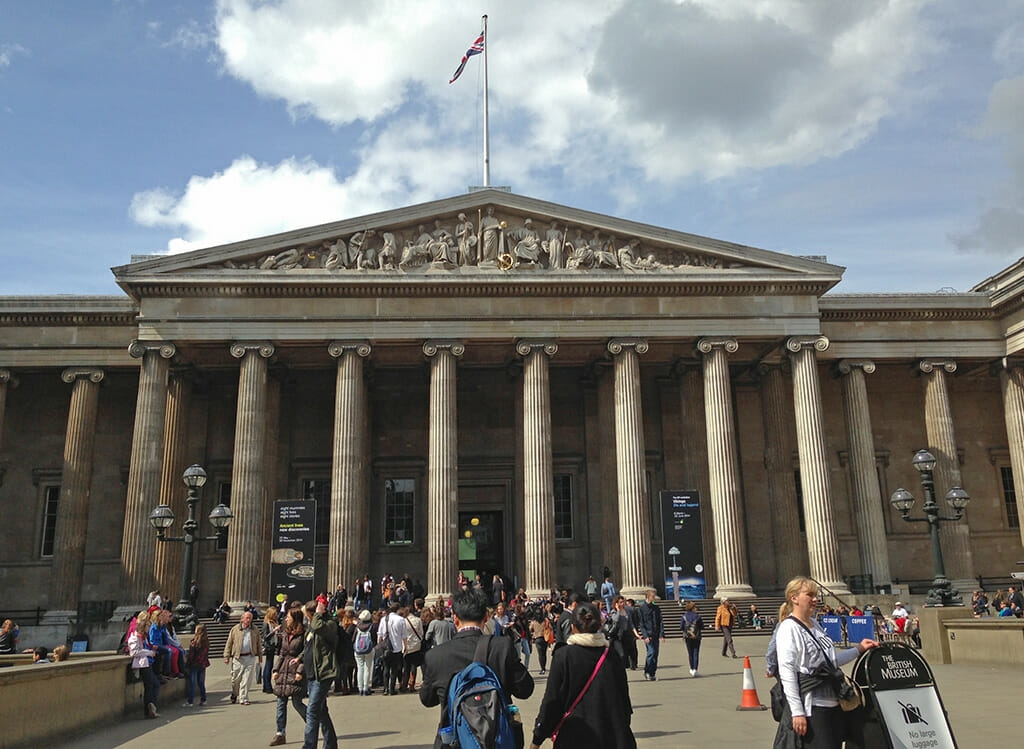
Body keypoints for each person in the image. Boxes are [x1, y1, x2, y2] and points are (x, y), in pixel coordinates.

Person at [420, 587, 533, 749]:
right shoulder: (502, 647)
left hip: (455, 742)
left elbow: (427, 699)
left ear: (455, 618)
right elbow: (525, 689)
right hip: (497, 740)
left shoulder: (436, 655)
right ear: (486, 617)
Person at [774, 576, 878, 748]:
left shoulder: (815, 624)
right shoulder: (788, 628)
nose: (815, 599)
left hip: (835, 703)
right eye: (809, 595)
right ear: (794, 598)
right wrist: (797, 712)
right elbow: (787, 672)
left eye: (815, 595)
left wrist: (858, 649)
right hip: (813, 708)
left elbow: (829, 663)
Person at [529, 601, 635, 749]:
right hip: (612, 738)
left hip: (574, 737)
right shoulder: (611, 655)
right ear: (599, 626)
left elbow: (552, 702)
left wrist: (537, 739)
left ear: (573, 627)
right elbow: (624, 702)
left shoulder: (563, 656)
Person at [301, 598, 338, 749]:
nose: (306, 618)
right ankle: (331, 744)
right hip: (312, 673)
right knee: (322, 711)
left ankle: (309, 746)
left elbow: (317, 627)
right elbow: (309, 647)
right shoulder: (313, 626)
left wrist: (317, 614)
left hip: (323, 673)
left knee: (312, 711)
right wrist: (298, 659)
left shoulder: (329, 624)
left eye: (307, 615)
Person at [270, 607, 307, 746]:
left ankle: (312, 722)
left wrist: (300, 671)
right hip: (284, 671)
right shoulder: (286, 633)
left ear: (295, 618)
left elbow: (305, 654)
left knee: (297, 703)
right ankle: (280, 733)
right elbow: (281, 654)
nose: (286, 619)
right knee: (280, 704)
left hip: (295, 671)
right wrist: (275, 669)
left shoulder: (303, 634)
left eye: (288, 617)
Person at [224, 610, 262, 705]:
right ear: (242, 619)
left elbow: (259, 644)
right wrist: (227, 656)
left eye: (250, 618)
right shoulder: (235, 629)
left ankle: (244, 698)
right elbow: (229, 643)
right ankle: (235, 693)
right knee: (235, 679)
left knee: (247, 679)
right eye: (247, 618)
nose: (249, 620)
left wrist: (260, 656)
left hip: (250, 656)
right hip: (238, 657)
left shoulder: (255, 630)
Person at [127, 610, 160, 719]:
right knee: (151, 684)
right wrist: (150, 653)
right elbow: (134, 652)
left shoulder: (143, 636)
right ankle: (150, 707)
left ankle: (151, 707)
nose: (149, 627)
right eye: (148, 625)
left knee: (152, 685)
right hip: (141, 664)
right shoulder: (135, 635)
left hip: (146, 663)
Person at [377, 601, 408, 695]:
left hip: (386, 647)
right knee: (394, 669)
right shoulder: (401, 620)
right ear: (398, 609)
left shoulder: (384, 619)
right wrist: (405, 646)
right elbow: (404, 636)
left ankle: (385, 688)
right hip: (397, 647)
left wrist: (380, 645)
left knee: (386, 668)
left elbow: (380, 635)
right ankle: (392, 689)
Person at [635, 589, 664, 680]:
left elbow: (660, 622)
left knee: (655, 654)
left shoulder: (656, 608)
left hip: (655, 634)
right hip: (648, 634)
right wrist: (645, 636)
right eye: (652, 596)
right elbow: (641, 624)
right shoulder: (641, 609)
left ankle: (652, 672)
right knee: (651, 653)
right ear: (647, 597)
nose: (654, 598)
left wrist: (661, 635)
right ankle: (647, 671)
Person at [184, 623, 210, 707]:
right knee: (201, 683)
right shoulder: (206, 642)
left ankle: (190, 701)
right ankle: (203, 699)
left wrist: (188, 663)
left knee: (192, 683)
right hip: (202, 664)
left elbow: (191, 655)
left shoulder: (194, 642)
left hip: (194, 664)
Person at [352, 609, 376, 696]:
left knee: (360, 668)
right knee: (367, 668)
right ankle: (366, 687)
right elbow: (374, 638)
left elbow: (353, 639)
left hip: (358, 650)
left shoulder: (357, 627)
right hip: (369, 649)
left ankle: (360, 688)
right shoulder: (371, 626)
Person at [680, 600, 704, 677]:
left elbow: (681, 627)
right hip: (696, 637)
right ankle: (695, 670)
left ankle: (691, 668)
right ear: (693, 608)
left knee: (690, 653)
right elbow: (702, 627)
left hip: (687, 637)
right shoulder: (698, 616)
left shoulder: (684, 617)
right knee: (696, 652)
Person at [262, 607, 282, 693]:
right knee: (268, 666)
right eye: (274, 614)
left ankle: (267, 686)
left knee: (271, 666)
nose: (276, 615)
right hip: (269, 647)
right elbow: (265, 637)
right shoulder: (266, 624)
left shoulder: (275, 622)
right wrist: (274, 631)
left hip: (274, 646)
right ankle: (267, 686)